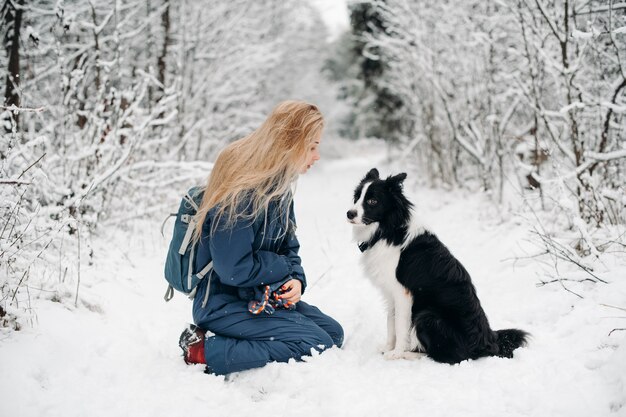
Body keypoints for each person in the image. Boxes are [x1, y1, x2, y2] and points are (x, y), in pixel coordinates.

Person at [178, 100, 344, 375]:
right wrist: (281, 268)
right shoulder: (240, 195)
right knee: (317, 343)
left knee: (333, 334)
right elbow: (233, 270)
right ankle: (203, 350)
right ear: (290, 143)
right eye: (312, 146)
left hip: (261, 298)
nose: (317, 156)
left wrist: (295, 279)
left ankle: (242, 338)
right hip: (223, 304)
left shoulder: (279, 190)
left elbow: (290, 247)